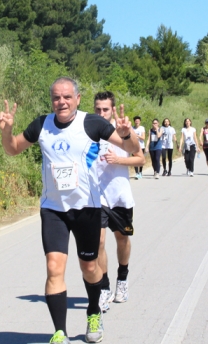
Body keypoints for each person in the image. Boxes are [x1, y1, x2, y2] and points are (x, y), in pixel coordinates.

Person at [0, 77, 140, 344]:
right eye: (55, 97)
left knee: (89, 267)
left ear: (77, 99)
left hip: (87, 208)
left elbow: (133, 149)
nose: (61, 102)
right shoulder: (42, 125)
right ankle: (59, 332)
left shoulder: (92, 123)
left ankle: (94, 311)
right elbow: (13, 149)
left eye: (66, 97)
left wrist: (125, 133)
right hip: (54, 209)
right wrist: (6, 132)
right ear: (51, 99)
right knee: (54, 267)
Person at [93, 92, 144, 313]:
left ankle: (122, 279)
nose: (101, 113)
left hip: (120, 196)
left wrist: (119, 159)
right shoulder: (88, 130)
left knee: (122, 239)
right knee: (99, 243)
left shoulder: (122, 130)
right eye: (98, 109)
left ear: (112, 110)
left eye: (105, 109)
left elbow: (140, 158)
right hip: (97, 197)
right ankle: (104, 287)